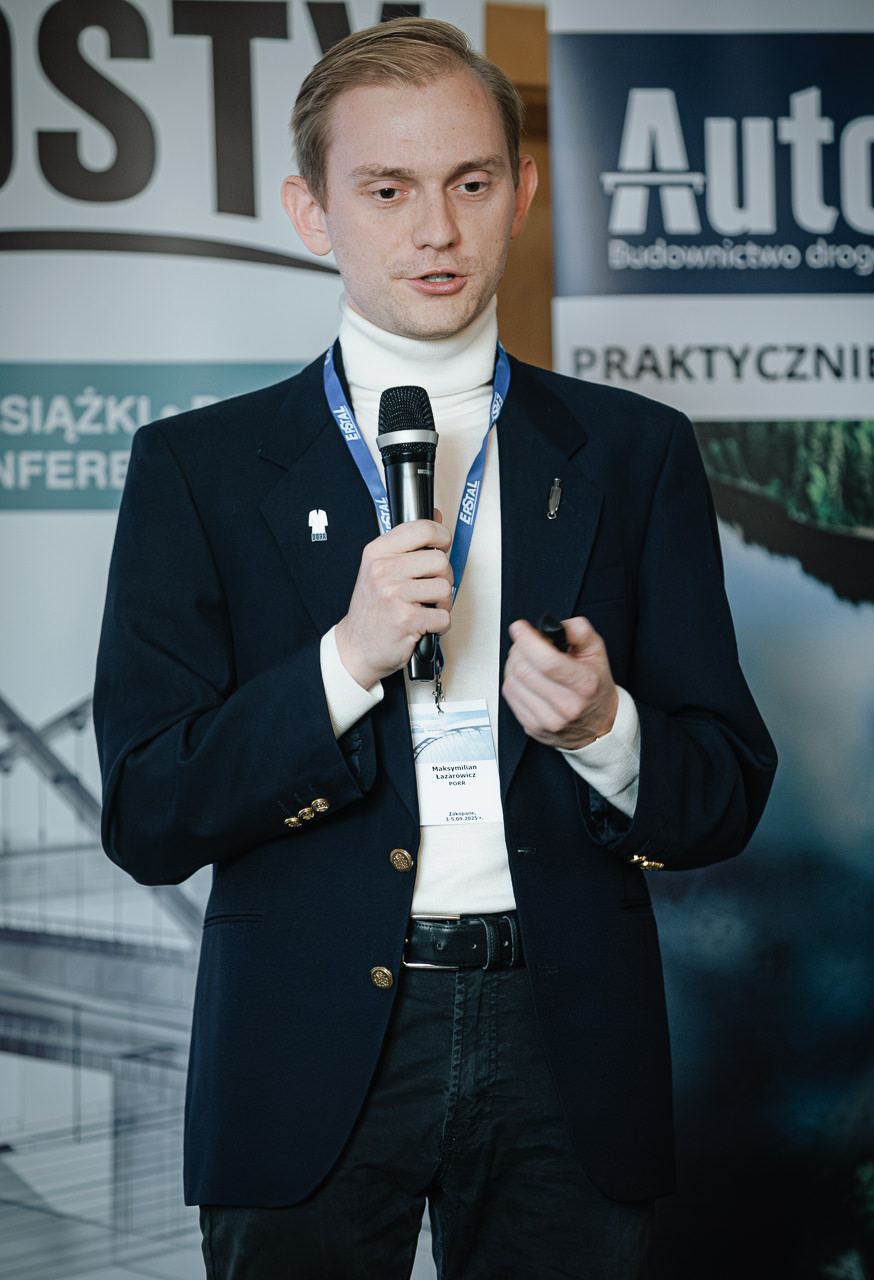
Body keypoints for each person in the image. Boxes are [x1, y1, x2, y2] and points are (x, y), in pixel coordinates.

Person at [94, 17, 776, 1280]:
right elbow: (146, 812)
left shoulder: (635, 452)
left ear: (522, 191)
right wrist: (343, 661)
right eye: (386, 189)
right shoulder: (197, 469)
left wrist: (605, 730)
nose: (436, 229)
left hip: (569, 1043)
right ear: (311, 211)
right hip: (302, 1038)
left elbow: (723, 795)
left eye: (469, 182)